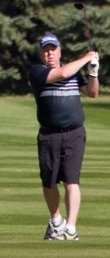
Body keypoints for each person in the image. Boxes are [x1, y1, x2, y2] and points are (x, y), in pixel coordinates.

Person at [29, 32, 99, 241]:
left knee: (71, 180)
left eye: (53, 49)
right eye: (45, 50)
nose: (49, 53)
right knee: (49, 181)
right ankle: (56, 221)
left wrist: (94, 73)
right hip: (49, 134)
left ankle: (70, 227)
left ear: (60, 51)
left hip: (74, 134)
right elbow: (60, 74)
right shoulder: (37, 72)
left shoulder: (75, 72)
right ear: (41, 54)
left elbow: (93, 93)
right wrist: (87, 57)